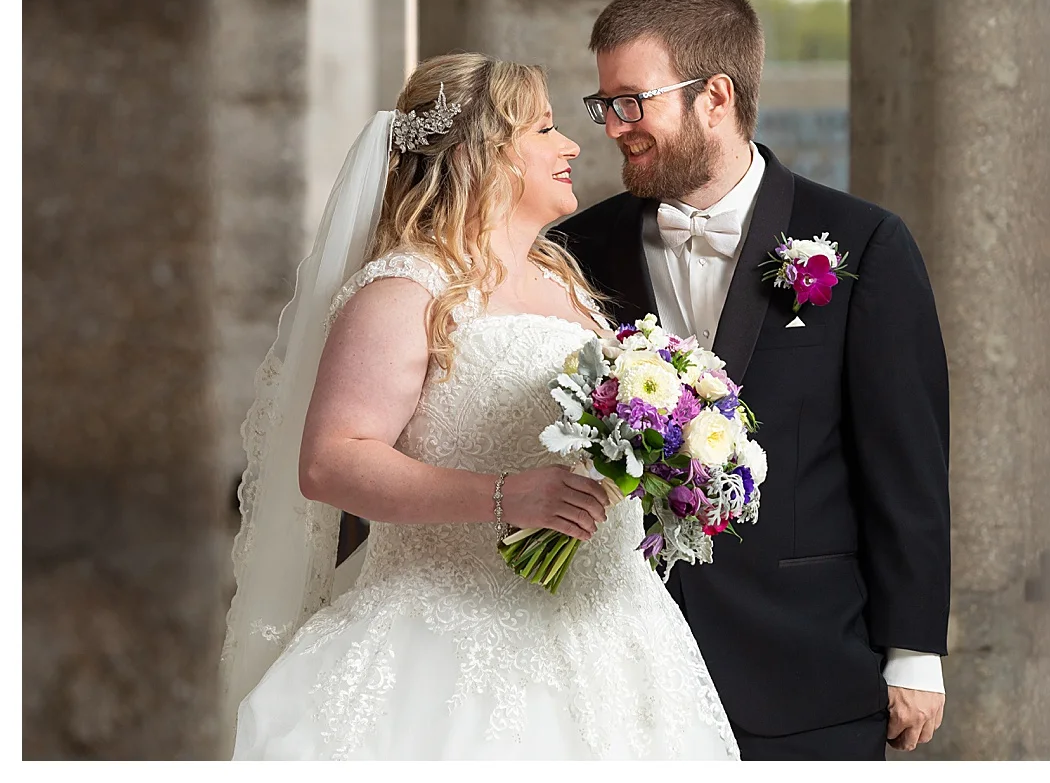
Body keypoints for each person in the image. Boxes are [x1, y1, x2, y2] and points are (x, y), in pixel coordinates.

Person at [221, 53, 738, 760]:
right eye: (546, 129)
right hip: (448, 645)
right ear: (483, 152)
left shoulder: (565, 284)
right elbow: (331, 460)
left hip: (615, 639)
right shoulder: (404, 288)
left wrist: (668, 462)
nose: (572, 146)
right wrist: (505, 496)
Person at [553, 0, 951, 760]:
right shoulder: (575, 251)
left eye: (633, 101)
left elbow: (906, 462)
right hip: (615, 668)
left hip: (807, 665)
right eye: (604, 105)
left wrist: (913, 650)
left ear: (716, 97)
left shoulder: (863, 244)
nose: (612, 126)